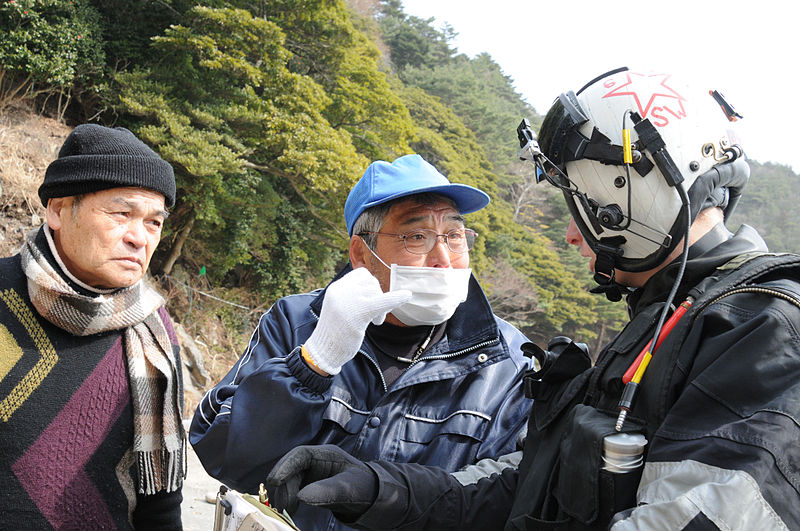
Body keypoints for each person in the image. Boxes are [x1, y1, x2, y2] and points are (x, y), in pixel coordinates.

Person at [264, 67, 800, 530]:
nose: (571, 234)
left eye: (580, 206)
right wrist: (376, 488)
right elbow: (530, 483)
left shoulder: (763, 328)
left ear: (628, 193)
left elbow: (707, 517)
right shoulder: (663, 327)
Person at [189, 154, 533, 531]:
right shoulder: (297, 321)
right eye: (416, 236)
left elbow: (512, 494)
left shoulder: (509, 360)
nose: (443, 260)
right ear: (361, 254)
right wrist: (313, 362)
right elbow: (224, 453)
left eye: (453, 236)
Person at [0, 124, 185, 530]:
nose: (140, 238)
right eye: (122, 214)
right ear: (59, 209)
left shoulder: (152, 334)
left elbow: (161, 507)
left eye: (154, 223)